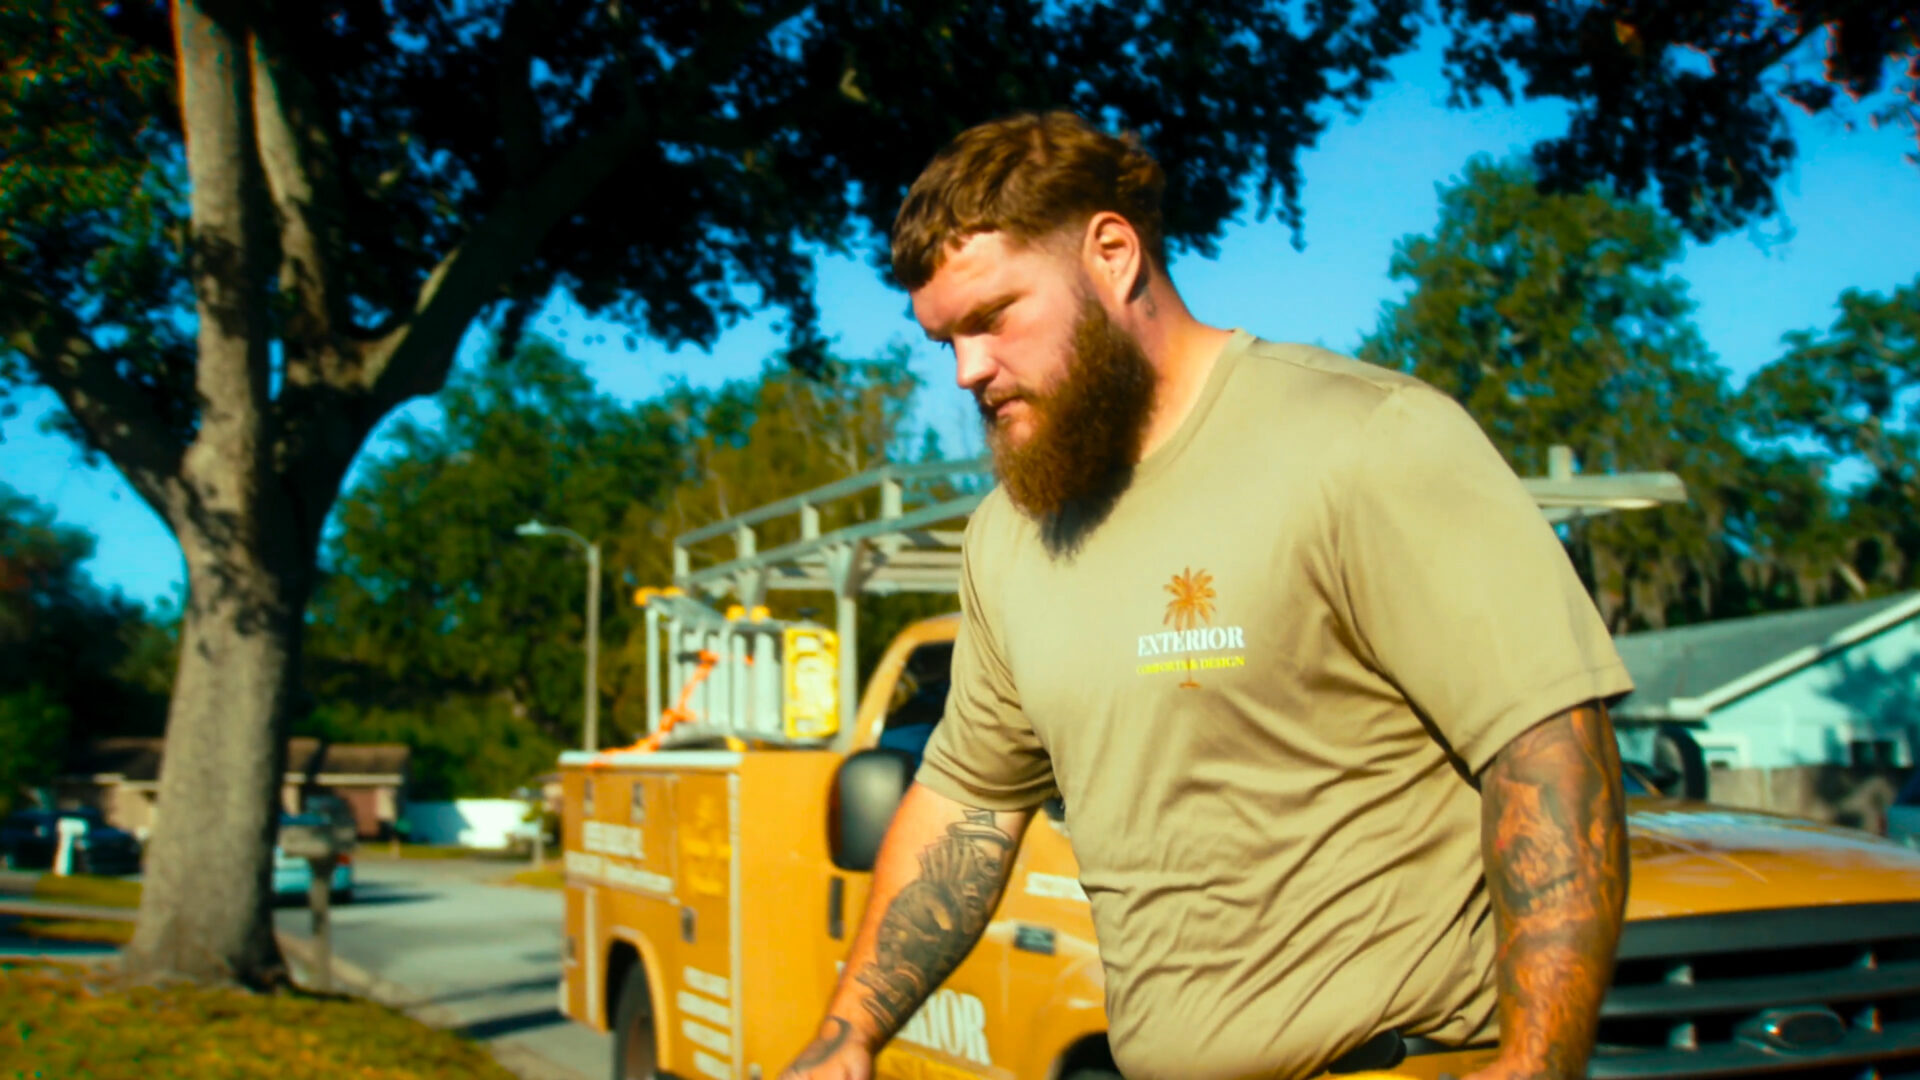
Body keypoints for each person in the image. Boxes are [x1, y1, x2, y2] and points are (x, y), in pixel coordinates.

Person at [779, 110, 1634, 1080]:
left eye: (993, 317)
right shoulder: (1010, 535)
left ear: (1112, 255)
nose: (969, 369)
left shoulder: (1369, 440)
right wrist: (848, 1034)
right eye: (947, 342)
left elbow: (1549, 747)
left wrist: (1540, 1059)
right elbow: (968, 807)